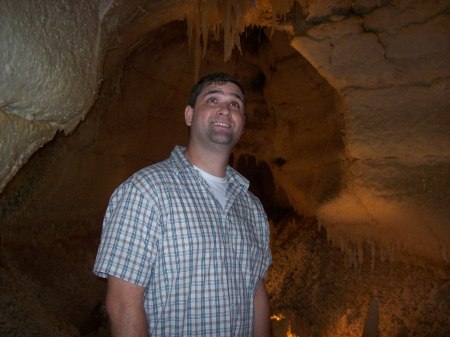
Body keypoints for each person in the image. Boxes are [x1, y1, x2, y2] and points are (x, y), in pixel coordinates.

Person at [93, 72, 272, 337]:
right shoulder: (146, 191)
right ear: (189, 115)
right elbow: (122, 304)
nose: (225, 109)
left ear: (242, 123)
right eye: (213, 100)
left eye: (235, 104)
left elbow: (256, 293)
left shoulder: (251, 207)